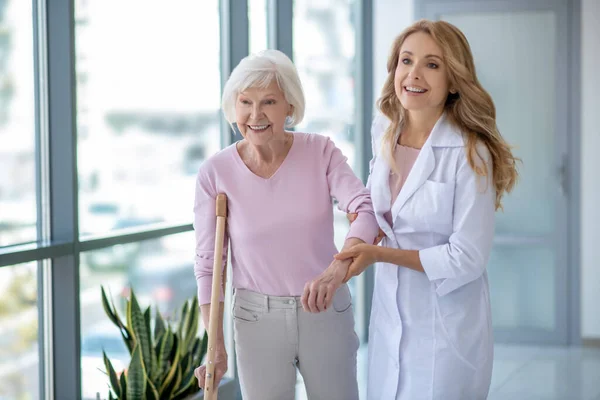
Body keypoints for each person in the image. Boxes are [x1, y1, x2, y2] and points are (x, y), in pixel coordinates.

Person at [336, 19, 519, 399]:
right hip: (390, 320)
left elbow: (467, 258)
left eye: (432, 64)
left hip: (446, 329)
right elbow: (378, 211)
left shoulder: (470, 153)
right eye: (406, 60)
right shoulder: (384, 130)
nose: (414, 74)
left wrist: (379, 254)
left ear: (453, 80)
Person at [192, 49, 378, 400]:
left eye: (269, 102)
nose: (255, 115)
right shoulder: (214, 173)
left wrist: (337, 271)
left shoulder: (321, 152)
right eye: (245, 102)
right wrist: (215, 345)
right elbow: (208, 264)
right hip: (255, 318)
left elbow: (364, 209)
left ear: (290, 106)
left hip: (325, 307)